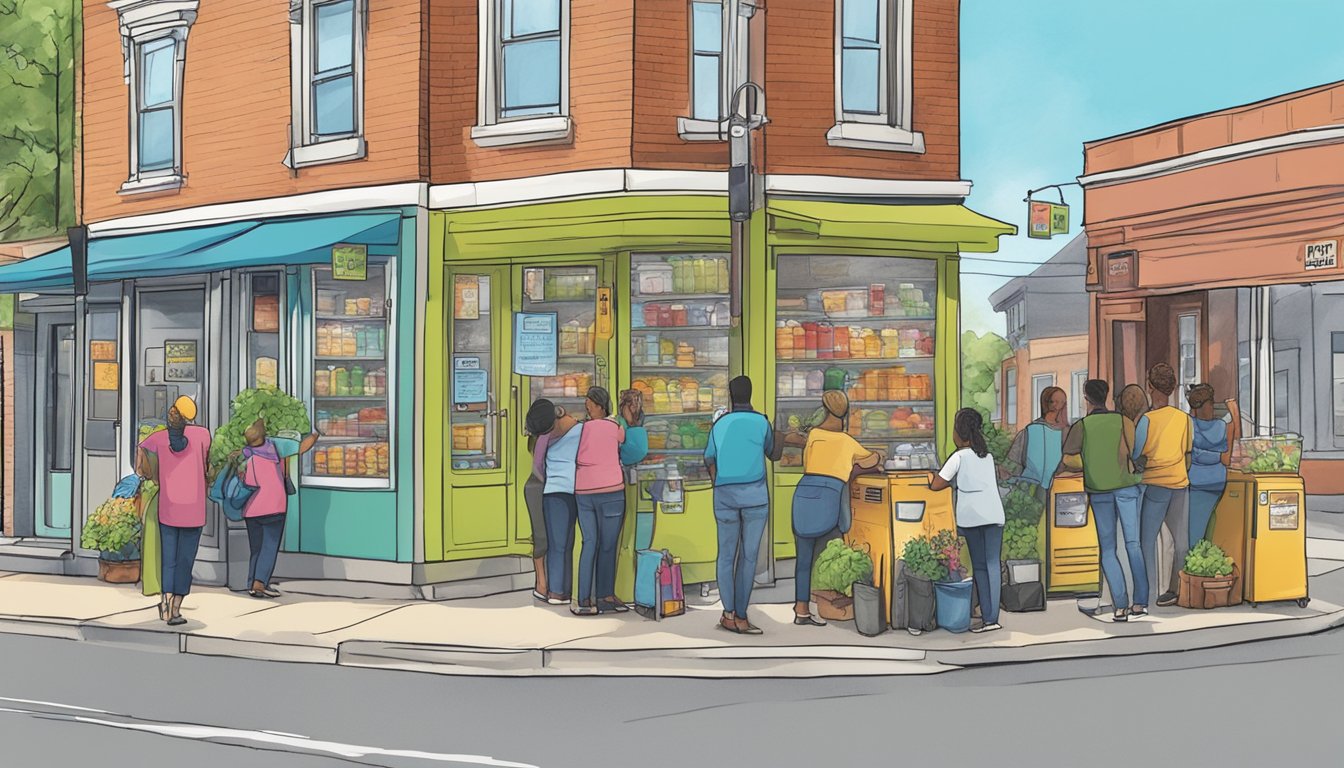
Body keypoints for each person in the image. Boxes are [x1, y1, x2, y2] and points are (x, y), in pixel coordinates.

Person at [789, 390, 882, 627]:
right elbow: (874, 459)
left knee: (804, 558)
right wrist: (855, 470)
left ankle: (801, 609)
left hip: (804, 494)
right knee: (830, 556)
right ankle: (830, 605)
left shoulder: (814, 436)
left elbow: (802, 451)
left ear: (824, 410)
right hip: (829, 497)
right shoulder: (847, 442)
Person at [1060, 380, 1147, 621]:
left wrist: (1088, 464)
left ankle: (1120, 606)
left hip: (1099, 490)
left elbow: (1068, 459)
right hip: (1127, 486)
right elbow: (1135, 451)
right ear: (1107, 396)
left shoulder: (1083, 425)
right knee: (1133, 543)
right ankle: (1140, 602)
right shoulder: (1123, 421)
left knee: (1108, 549)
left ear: (1086, 398)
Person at [704, 376, 774, 635]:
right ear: (751, 393)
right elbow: (771, 451)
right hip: (755, 498)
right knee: (748, 557)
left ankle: (728, 613)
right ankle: (742, 617)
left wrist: (717, 483)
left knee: (725, 556)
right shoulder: (761, 422)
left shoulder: (720, 424)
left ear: (730, 396)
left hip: (724, 497)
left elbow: (708, 457)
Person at [930, 409, 1006, 633]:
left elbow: (937, 484)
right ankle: (992, 618)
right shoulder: (987, 456)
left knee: (980, 567)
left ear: (959, 432)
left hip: (972, 518)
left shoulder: (958, 457)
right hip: (993, 516)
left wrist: (930, 475)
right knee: (992, 564)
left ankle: (987, 617)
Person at [136, 396, 210, 626]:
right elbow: (208, 465)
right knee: (185, 561)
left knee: (168, 560)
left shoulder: (157, 439)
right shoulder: (203, 435)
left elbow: (140, 463)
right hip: (194, 510)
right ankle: (176, 609)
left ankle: (165, 605)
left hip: (168, 509)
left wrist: (154, 475)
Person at [236, 419, 318, 599]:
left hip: (251, 510)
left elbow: (248, 482)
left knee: (256, 548)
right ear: (264, 436)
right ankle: (259, 583)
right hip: (274, 507)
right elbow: (302, 447)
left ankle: (252, 582)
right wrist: (316, 434)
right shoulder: (274, 449)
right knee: (269, 546)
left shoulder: (246, 455)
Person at [1136, 363, 1193, 608]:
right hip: (1179, 482)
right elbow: (1188, 453)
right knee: (1181, 540)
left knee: (1146, 540)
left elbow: (1136, 453)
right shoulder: (1184, 419)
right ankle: (1176, 591)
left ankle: (1147, 593)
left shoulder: (1146, 420)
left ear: (1150, 387)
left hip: (1154, 484)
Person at [573, 387, 628, 616]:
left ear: (597, 406)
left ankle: (584, 599)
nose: (587, 408)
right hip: (611, 491)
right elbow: (624, 443)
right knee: (608, 546)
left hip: (583, 491)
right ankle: (605, 596)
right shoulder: (615, 427)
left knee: (589, 543)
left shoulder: (581, 428)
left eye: (589, 404)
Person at [540, 403, 583, 607]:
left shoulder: (544, 436)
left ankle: (557, 592)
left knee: (558, 545)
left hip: (554, 492)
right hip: (580, 490)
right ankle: (573, 590)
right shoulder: (584, 430)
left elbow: (538, 465)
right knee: (578, 543)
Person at [1004, 385, 1069, 500]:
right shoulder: (1030, 430)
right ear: (1046, 403)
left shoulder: (1067, 431)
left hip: (1060, 486)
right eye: (1054, 401)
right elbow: (1014, 460)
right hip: (1031, 486)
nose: (1057, 406)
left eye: (1062, 402)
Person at [1187, 384, 1232, 547]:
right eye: (1211, 403)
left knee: (1195, 532)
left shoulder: (1190, 424)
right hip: (1219, 482)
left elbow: (1193, 453)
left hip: (1197, 482)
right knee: (1213, 530)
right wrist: (1220, 457)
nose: (1212, 406)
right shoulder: (1221, 426)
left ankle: (1194, 565)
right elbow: (1230, 450)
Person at [524, 399, 557, 602]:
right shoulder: (547, 436)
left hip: (536, 486)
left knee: (541, 536)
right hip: (541, 487)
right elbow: (539, 468)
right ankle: (543, 583)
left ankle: (542, 584)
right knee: (546, 538)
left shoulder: (539, 436)